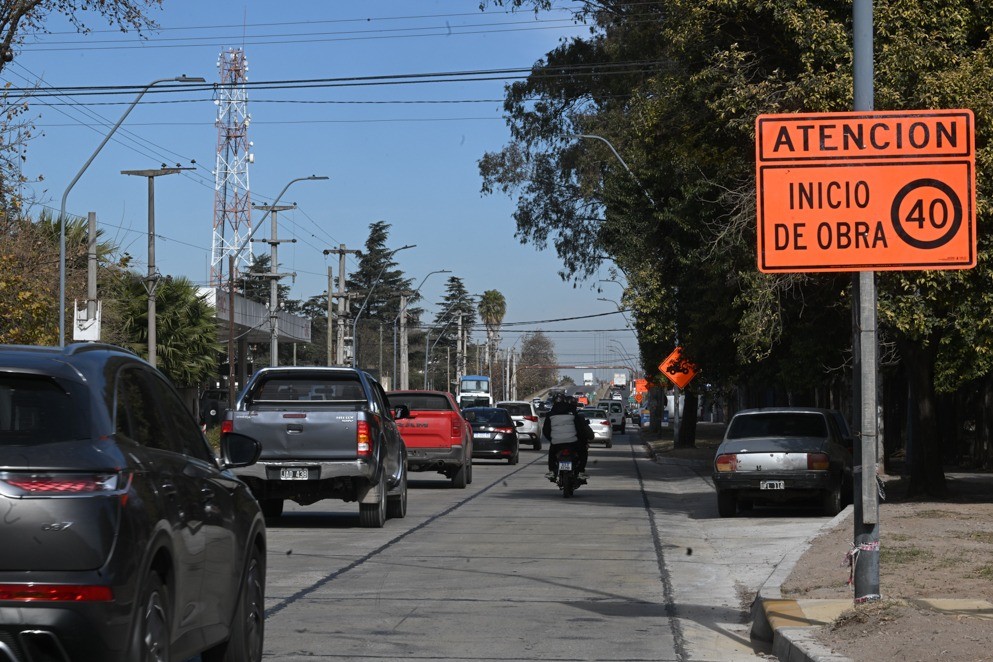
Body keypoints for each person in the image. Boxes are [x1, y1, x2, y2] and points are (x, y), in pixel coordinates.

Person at [542, 393, 593, 482]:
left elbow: (546, 430)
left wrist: (553, 438)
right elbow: (580, 429)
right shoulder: (573, 414)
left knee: (552, 453)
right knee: (583, 451)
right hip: (572, 442)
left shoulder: (550, 414)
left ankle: (552, 471)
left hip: (556, 443)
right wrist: (583, 440)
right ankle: (580, 471)